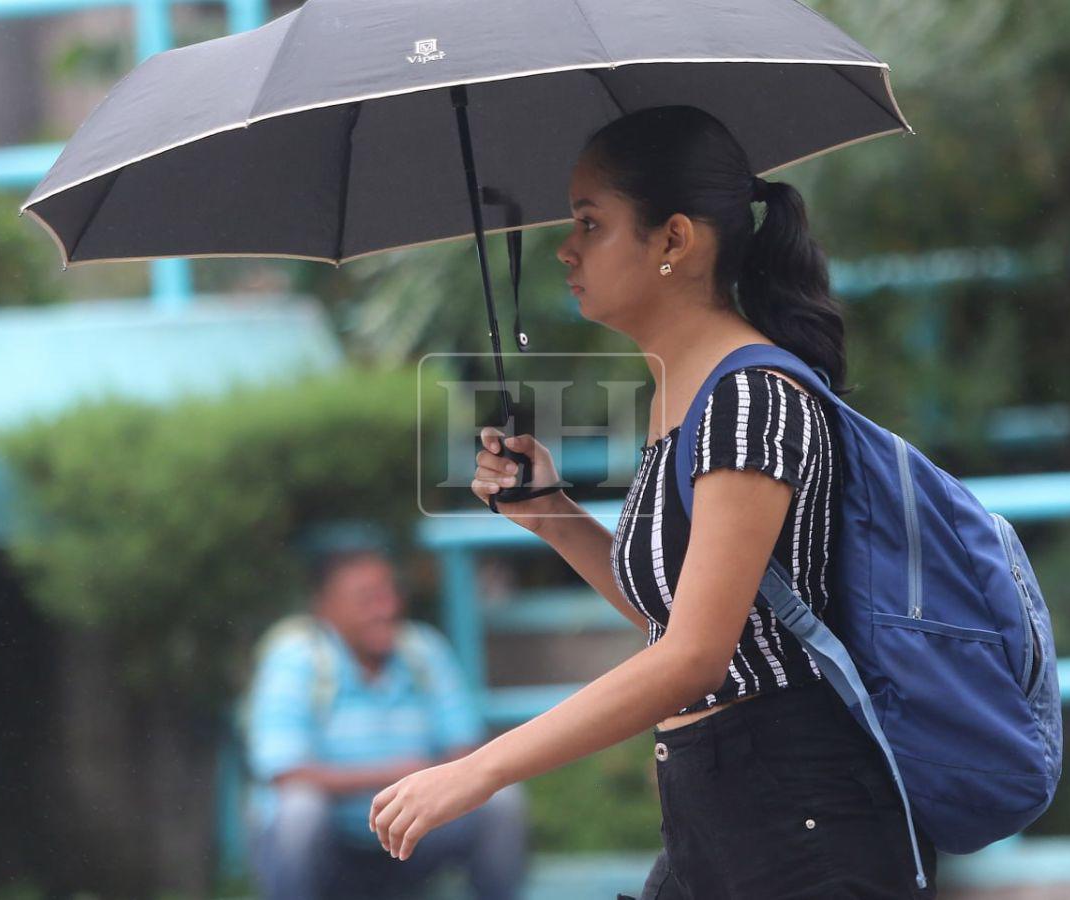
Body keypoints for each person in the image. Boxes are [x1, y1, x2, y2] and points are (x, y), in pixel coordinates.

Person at [367, 106, 938, 899]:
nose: (566, 247)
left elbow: (695, 655)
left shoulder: (750, 397)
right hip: (717, 817)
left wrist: (480, 768)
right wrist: (552, 515)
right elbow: (683, 616)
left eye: (591, 223)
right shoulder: (688, 393)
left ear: (674, 240)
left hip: (799, 822)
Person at [245, 523, 528, 900]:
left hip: (415, 835)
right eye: (366, 598)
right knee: (300, 810)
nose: (386, 608)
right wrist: (397, 775)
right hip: (332, 844)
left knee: (501, 801)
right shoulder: (296, 658)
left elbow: (467, 752)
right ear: (324, 607)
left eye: (389, 593)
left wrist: (421, 787)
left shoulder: (424, 651)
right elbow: (285, 771)